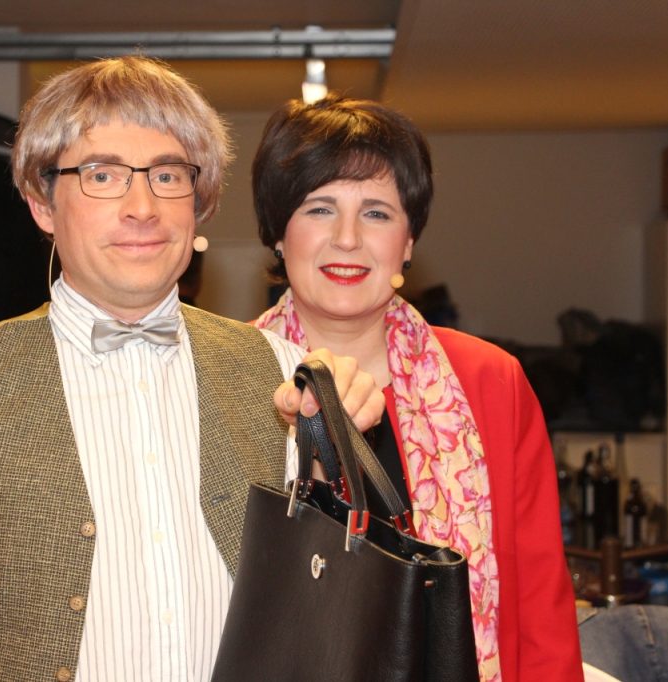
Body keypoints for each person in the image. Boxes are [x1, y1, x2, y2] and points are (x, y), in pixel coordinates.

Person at [0, 57, 384, 681]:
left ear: (199, 201)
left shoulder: (278, 370)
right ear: (42, 203)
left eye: (168, 175)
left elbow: (316, 614)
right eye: (102, 175)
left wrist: (334, 449)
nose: (142, 207)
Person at [250, 95, 583, 682]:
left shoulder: (490, 381)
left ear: (407, 242)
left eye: (377, 213)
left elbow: (540, 610)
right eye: (320, 208)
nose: (348, 238)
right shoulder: (227, 376)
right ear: (279, 233)